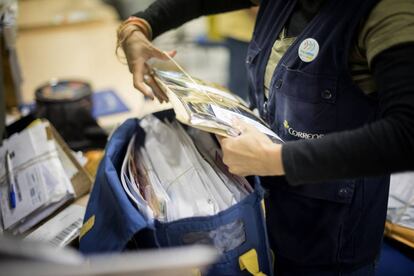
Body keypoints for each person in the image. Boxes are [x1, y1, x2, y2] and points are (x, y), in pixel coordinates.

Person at [118, 0, 414, 275]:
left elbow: (407, 135)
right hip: (268, 216)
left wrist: (273, 159)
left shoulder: (388, 11)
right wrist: (139, 26)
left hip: (330, 241)